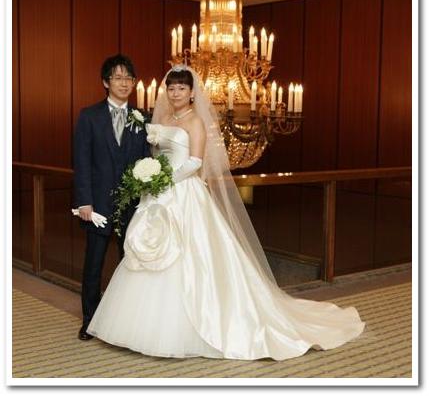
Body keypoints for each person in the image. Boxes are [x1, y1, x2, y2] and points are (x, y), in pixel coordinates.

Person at [86, 65, 365, 360]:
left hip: (183, 192)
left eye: (181, 88)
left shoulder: (195, 121)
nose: (175, 93)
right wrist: (151, 177)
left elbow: (195, 162)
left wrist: (164, 180)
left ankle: (192, 327)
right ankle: (141, 327)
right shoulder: (163, 118)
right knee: (149, 251)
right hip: (157, 193)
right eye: (171, 88)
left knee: (192, 256)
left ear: (192, 93)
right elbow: (156, 154)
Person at [73, 54, 151, 341]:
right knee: (93, 264)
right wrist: (84, 201)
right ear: (106, 82)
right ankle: (89, 321)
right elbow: (82, 162)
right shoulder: (89, 116)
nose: (124, 83)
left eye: (128, 78)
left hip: (132, 205)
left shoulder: (143, 117)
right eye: (118, 78)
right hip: (98, 206)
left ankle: (125, 323)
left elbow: (146, 161)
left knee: (130, 265)